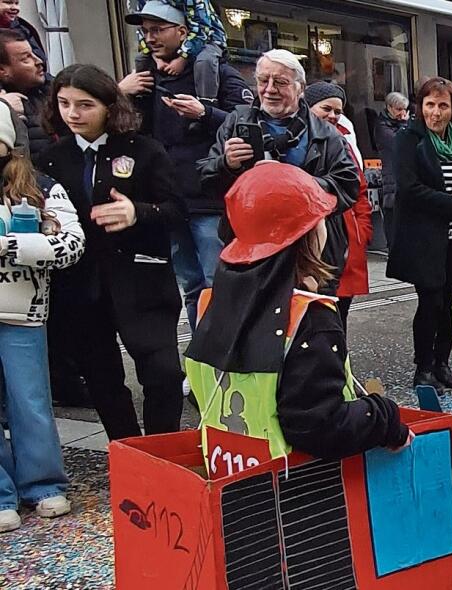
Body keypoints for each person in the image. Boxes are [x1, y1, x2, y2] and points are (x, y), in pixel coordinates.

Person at [185, 163, 411, 461]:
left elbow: (197, 394)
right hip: (295, 493)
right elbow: (321, 426)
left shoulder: (212, 303)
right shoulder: (310, 319)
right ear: (308, 234)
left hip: (230, 477)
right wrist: (385, 418)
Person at [39, 64, 186, 440]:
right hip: (81, 286)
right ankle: (126, 448)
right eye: (65, 103)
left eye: (85, 105)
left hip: (143, 280)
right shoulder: (52, 159)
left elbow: (176, 209)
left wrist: (139, 211)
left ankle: (160, 448)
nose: (73, 114)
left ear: (109, 106)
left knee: (164, 373)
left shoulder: (144, 150)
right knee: (102, 378)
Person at [119, 0, 251, 332]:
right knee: (192, 287)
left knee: (218, 285)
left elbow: (247, 123)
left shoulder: (216, 71)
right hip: (169, 201)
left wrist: (204, 114)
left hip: (210, 200)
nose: (151, 37)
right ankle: (202, 364)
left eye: (158, 29)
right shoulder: (142, 78)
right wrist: (120, 94)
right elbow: (124, 132)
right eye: (146, 31)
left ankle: (228, 361)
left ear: (182, 30)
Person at [198, 49, 359, 296]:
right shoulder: (235, 122)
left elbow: (348, 186)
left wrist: (295, 186)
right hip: (250, 250)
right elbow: (205, 180)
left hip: (310, 252)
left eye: (280, 82)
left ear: (300, 88)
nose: (269, 89)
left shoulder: (327, 134)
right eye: (263, 81)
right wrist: (226, 164)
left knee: (313, 325)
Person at [0, 99, 84, 532]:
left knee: (30, 400)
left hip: (22, 311)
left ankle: (43, 483)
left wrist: (15, 247)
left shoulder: (40, 186)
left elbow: (71, 243)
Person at [386, 77, 452, 393]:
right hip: (425, 238)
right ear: (420, 107)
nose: (436, 112)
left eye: (443, 105)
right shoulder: (408, 139)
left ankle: (442, 362)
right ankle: (423, 368)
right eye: (430, 104)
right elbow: (410, 189)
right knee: (431, 302)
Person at [305, 81, 372, 331]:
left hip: (347, 237)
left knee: (339, 313)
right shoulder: (299, 140)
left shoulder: (344, 141)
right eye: (327, 109)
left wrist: (362, 230)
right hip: (315, 238)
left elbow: (360, 189)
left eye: (338, 111)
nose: (333, 116)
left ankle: (339, 366)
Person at [131, 0, 227, 106]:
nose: (149, 38)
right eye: (146, 32)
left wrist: (182, 58)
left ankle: (207, 103)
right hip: (184, 34)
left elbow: (202, 30)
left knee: (204, 61)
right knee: (141, 58)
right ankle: (142, 99)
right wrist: (156, 58)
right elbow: (141, 32)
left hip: (209, 38)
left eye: (157, 30)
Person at [0, 30, 54, 162]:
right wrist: (4, 110)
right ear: (2, 71)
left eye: (33, 54)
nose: (39, 61)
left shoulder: (54, 90)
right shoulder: (5, 106)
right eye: (26, 59)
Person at [374, 91, 408, 251]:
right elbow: (398, 144)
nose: (402, 113)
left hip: (406, 173)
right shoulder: (381, 125)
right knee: (392, 212)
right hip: (391, 174)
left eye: (404, 109)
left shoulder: (405, 123)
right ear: (389, 107)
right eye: (398, 109)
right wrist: (404, 125)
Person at [0, 0, 46, 69]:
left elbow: (40, 59)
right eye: (8, 3)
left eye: (17, 3)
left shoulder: (24, 28)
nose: (15, 8)